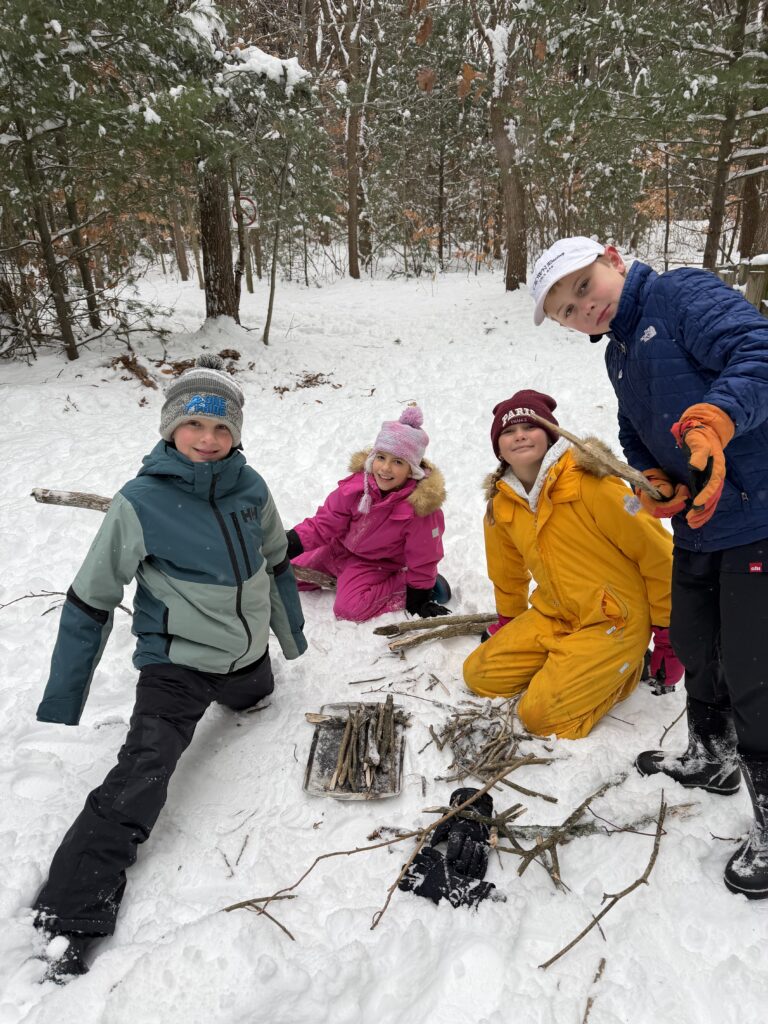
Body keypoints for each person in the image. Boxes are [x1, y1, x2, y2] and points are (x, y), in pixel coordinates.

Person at [32, 354, 307, 980]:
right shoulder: (139, 503)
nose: (207, 439)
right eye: (194, 425)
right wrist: (64, 697)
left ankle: (249, 678)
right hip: (176, 663)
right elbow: (91, 598)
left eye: (221, 428)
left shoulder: (251, 488)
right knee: (145, 768)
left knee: (255, 694)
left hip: (245, 657)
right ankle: (70, 913)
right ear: (170, 428)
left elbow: (275, 562)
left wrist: (289, 640)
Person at [531, 236, 768, 899]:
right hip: (700, 523)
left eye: (584, 287)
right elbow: (637, 433)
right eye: (567, 310)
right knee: (694, 642)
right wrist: (656, 477)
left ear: (612, 258)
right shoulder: (620, 352)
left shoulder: (679, 293)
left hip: (757, 513)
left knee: (755, 672)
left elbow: (758, 354)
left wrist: (716, 421)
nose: (584, 308)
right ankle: (712, 754)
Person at [463, 389, 678, 740]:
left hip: (615, 619)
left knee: (540, 718)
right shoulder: (502, 502)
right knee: (479, 675)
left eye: (530, 427)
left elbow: (656, 554)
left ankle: (624, 670)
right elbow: (506, 570)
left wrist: (668, 633)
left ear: (550, 435)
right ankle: (576, 666)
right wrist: (509, 619)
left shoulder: (593, 483)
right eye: (508, 431)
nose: (519, 435)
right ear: (498, 448)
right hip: (555, 613)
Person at [286, 404, 450, 622]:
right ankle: (337, 574)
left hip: (374, 564)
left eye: (398, 462)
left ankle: (404, 583)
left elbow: (425, 555)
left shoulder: (419, 509)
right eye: (381, 457)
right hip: (336, 550)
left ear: (412, 470)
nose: (385, 468)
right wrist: (290, 543)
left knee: (349, 609)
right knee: (285, 573)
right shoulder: (356, 487)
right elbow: (324, 523)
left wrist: (419, 593)